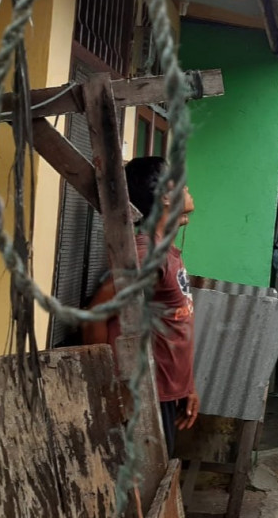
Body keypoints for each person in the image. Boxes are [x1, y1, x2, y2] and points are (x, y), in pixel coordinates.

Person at [86, 157, 198, 458]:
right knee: (142, 492)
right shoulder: (146, 255)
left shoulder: (164, 251)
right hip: (144, 396)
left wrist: (188, 386)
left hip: (166, 393)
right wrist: (106, 382)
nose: (187, 187)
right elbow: (98, 313)